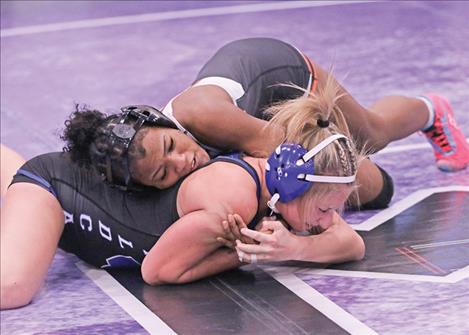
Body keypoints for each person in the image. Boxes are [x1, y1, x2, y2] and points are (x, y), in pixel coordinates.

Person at [1, 76, 364, 310]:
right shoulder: (232, 199)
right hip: (55, 191)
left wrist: (295, 248)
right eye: (326, 211)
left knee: (18, 208)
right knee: (13, 288)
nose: (330, 219)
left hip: (83, 200)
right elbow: (158, 271)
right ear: (294, 186)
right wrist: (249, 254)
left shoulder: (288, 187)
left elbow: (351, 244)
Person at [64, 37, 469, 209]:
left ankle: (432, 110)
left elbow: (300, 155)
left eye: (171, 148)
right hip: (251, 106)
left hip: (285, 76)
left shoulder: (204, 115)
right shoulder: (167, 152)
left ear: (163, 123)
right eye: (162, 174)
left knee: (371, 139)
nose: (181, 163)